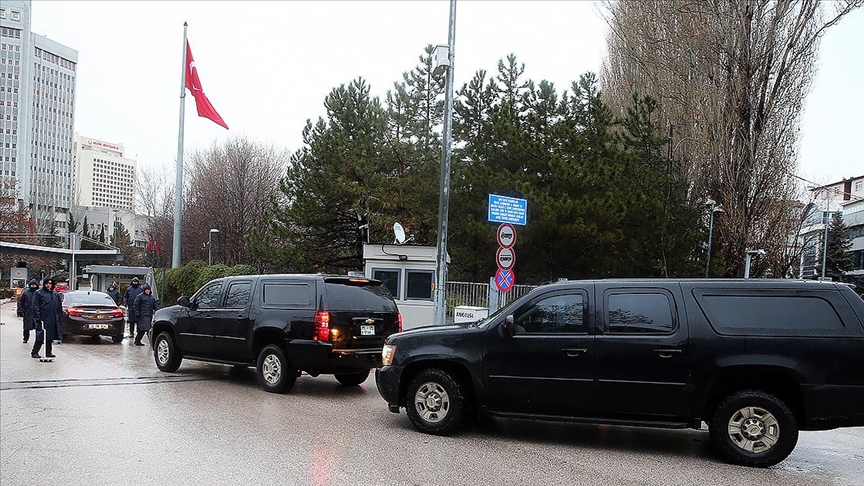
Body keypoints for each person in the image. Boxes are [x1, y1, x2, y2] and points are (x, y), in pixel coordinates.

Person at [31, 278, 62, 359]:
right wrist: (38, 317)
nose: (48, 285)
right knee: (40, 336)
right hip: (42, 319)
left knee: (50, 336)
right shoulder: (39, 293)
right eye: (47, 283)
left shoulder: (55, 294)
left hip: (52, 318)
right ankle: (35, 351)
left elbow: (59, 306)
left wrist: (59, 316)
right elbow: (35, 306)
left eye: (50, 284)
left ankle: (48, 352)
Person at [16, 279, 39, 344]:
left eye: (34, 285)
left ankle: (39, 339)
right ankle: (25, 338)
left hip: (37, 313)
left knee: (38, 327)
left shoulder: (39, 293)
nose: (33, 286)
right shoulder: (26, 293)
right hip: (28, 312)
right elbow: (21, 301)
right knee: (26, 327)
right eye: (32, 285)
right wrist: (20, 310)